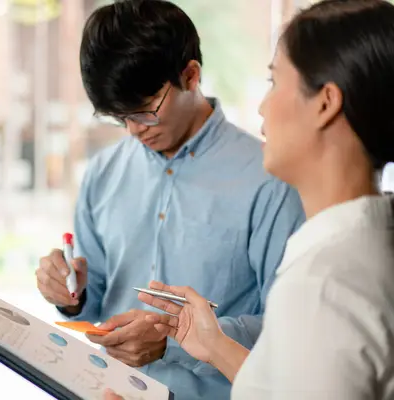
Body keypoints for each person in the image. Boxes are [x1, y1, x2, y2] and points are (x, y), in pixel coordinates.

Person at [104, 0, 394, 398]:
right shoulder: (361, 246)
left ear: (325, 103)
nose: (262, 105)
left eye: (275, 82)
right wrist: (215, 345)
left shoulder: (326, 281)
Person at [35, 1, 305, 398]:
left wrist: (173, 340)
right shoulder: (101, 175)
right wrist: (71, 297)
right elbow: (94, 301)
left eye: (144, 112)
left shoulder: (270, 180)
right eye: (118, 117)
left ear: (191, 75)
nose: (132, 130)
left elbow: (287, 330)